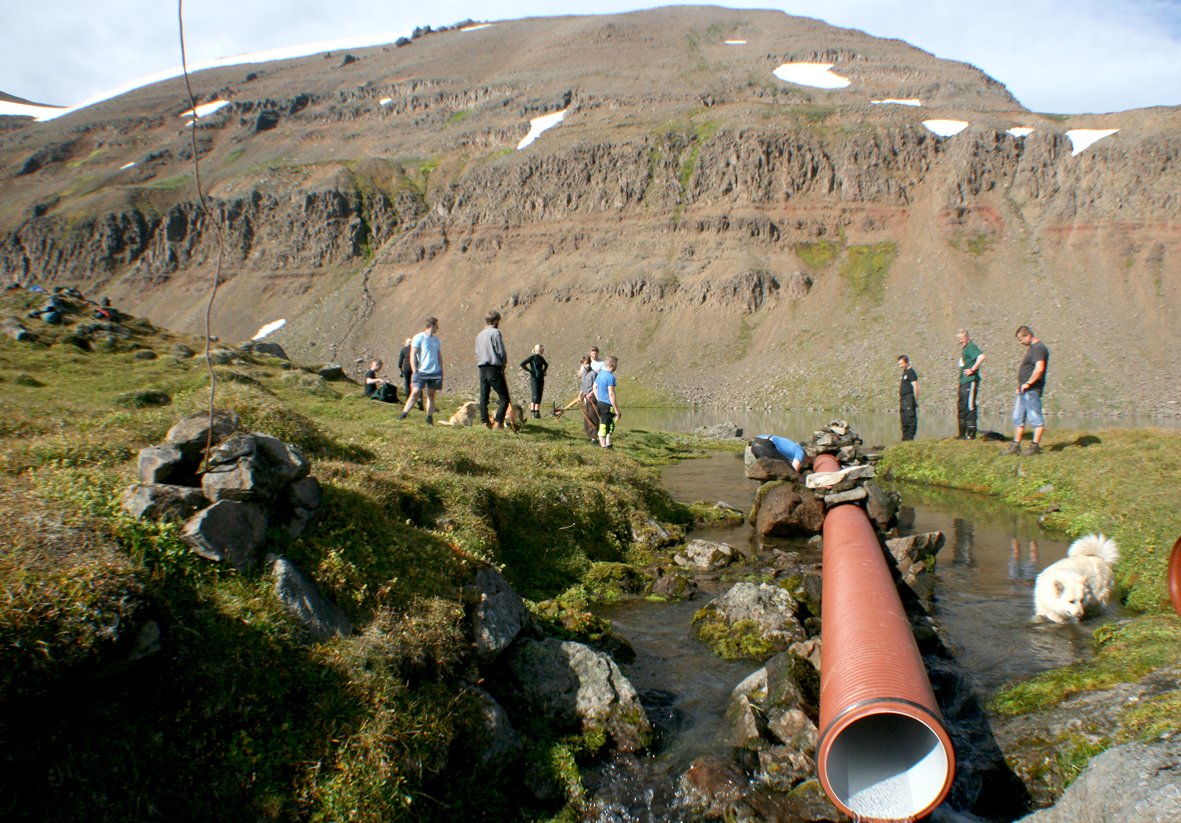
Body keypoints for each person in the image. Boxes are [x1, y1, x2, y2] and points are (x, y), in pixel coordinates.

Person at [1006, 325, 1050, 455]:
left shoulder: (1038, 348)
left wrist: (1029, 383)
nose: (1020, 343)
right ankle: (1015, 446)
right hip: (1023, 390)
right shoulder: (1033, 349)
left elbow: (1040, 368)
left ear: (1028, 335)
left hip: (1032, 390)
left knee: (1035, 417)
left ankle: (1034, 446)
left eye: (1021, 339)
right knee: (1018, 418)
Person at [399, 317, 443, 425]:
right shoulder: (419, 337)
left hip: (435, 371)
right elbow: (413, 354)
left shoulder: (436, 340)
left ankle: (429, 418)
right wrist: (415, 370)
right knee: (415, 392)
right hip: (422, 371)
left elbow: (439, 355)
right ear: (431, 325)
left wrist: (441, 370)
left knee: (431, 394)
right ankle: (404, 414)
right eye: (437, 325)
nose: (438, 327)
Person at [475, 310, 510, 430]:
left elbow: (477, 353)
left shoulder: (479, 335)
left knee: (484, 397)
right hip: (493, 368)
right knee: (504, 398)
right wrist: (503, 364)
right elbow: (501, 351)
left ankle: (485, 422)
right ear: (495, 321)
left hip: (482, 368)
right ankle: (498, 422)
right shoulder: (495, 333)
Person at [956, 328, 985, 439]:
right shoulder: (965, 349)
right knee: (962, 405)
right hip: (963, 381)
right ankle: (962, 434)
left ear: (967, 337)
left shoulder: (971, 347)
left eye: (962, 338)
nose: (960, 341)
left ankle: (970, 434)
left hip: (970, 381)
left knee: (969, 406)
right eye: (959, 339)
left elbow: (982, 357)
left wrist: (972, 369)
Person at [593, 355, 621, 448]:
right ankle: (603, 446)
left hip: (601, 403)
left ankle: (608, 444)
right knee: (604, 425)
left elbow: (594, 387)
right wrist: (617, 409)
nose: (617, 366)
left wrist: (598, 399)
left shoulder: (600, 374)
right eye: (616, 364)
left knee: (610, 424)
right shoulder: (610, 377)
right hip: (607, 405)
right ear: (613, 364)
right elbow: (611, 394)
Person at [520, 344, 549, 419]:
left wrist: (544, 371)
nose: (543, 351)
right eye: (542, 350)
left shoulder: (541, 358)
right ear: (539, 350)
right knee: (535, 395)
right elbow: (522, 364)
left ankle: (537, 412)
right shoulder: (532, 358)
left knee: (539, 395)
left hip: (540, 378)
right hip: (534, 379)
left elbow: (546, 365)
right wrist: (530, 371)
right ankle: (533, 412)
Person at [577, 354, 600, 443]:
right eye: (586, 364)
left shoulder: (594, 373)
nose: (588, 365)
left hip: (593, 398)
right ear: (582, 364)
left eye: (589, 363)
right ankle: (589, 436)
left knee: (593, 417)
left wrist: (591, 393)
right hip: (586, 398)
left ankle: (594, 438)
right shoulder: (583, 374)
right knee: (586, 417)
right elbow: (582, 387)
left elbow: (597, 386)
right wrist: (580, 396)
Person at [898, 354, 919, 441]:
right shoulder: (905, 372)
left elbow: (916, 386)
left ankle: (910, 439)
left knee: (910, 418)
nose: (900, 366)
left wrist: (915, 399)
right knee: (904, 419)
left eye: (902, 364)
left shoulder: (911, 372)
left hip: (909, 398)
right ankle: (904, 438)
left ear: (906, 362)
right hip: (903, 399)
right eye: (899, 364)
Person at [397, 337, 422, 410]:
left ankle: (408, 401)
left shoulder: (403, 349)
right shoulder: (416, 348)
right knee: (418, 384)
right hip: (415, 367)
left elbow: (400, 362)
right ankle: (420, 399)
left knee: (407, 384)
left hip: (406, 368)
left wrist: (400, 370)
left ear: (406, 343)